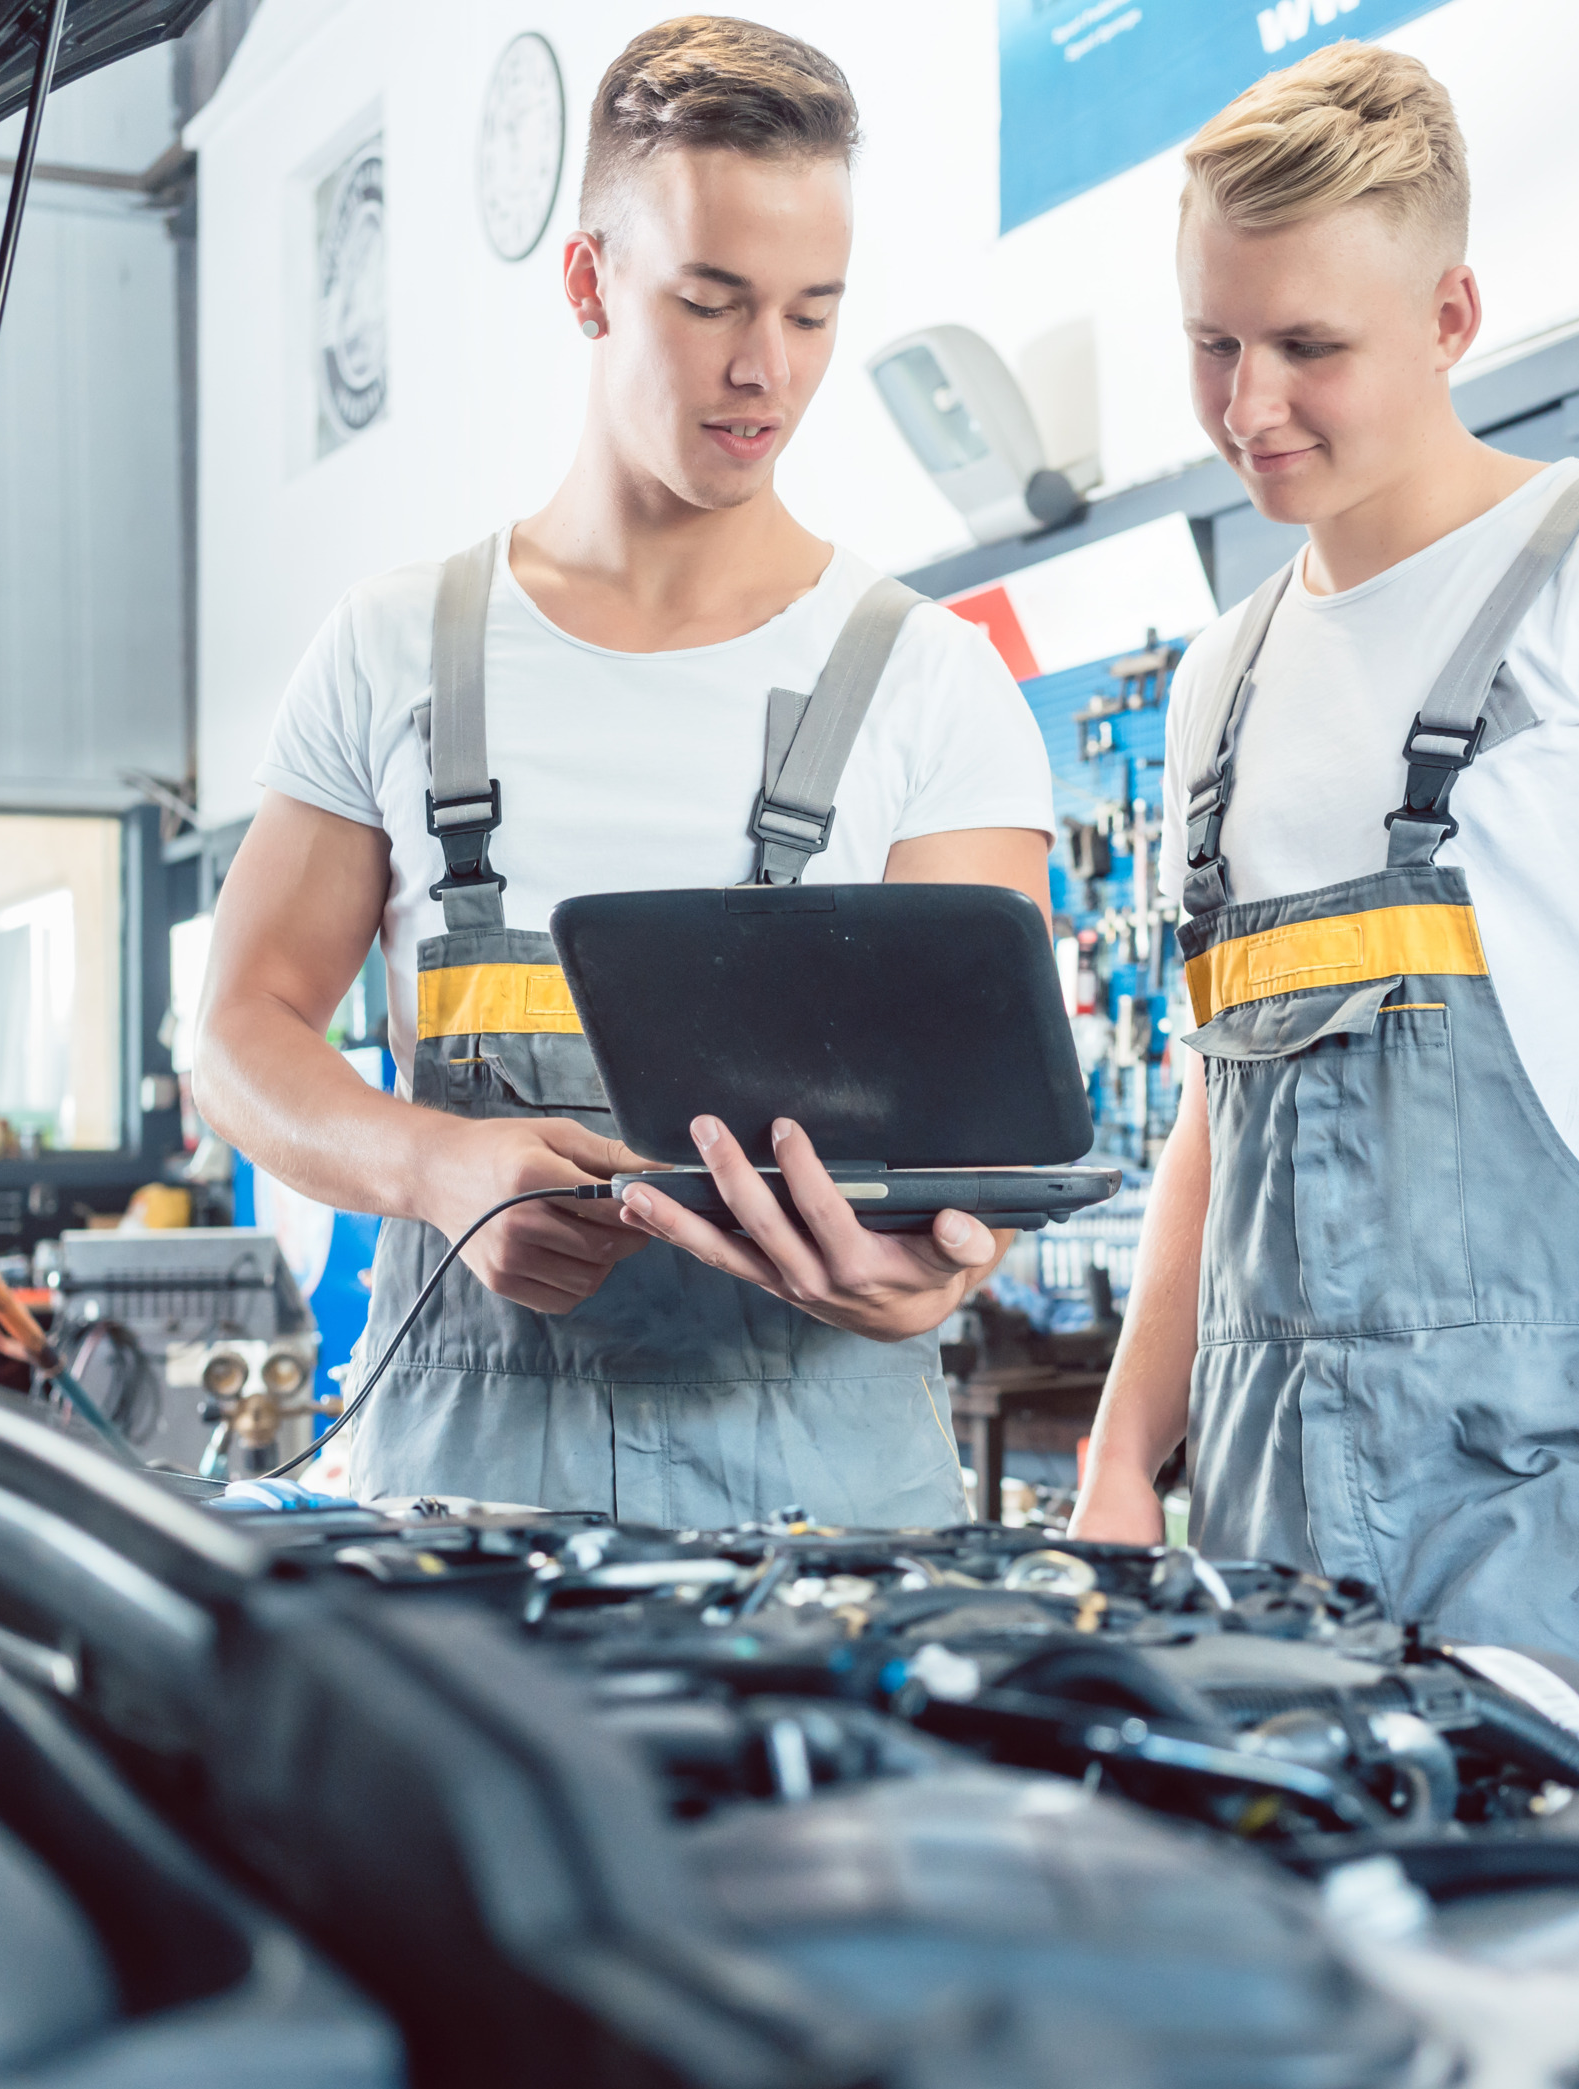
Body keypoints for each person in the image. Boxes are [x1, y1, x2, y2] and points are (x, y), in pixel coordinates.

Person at [1065, 42, 1579, 1709]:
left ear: (1449, 318)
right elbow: (1221, 1103)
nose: (1250, 405)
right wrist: (1121, 1453)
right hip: (1263, 1536)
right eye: (1213, 342)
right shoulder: (1221, 680)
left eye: (1309, 347)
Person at [197, 17, 1052, 1526]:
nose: (762, 371)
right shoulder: (398, 650)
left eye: (810, 312)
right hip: (465, 1503)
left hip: (830, 1516)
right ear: (590, 281)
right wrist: (433, 1168)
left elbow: (984, 1157)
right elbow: (236, 1038)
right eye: (711, 301)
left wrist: (921, 1280)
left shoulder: (933, 684)